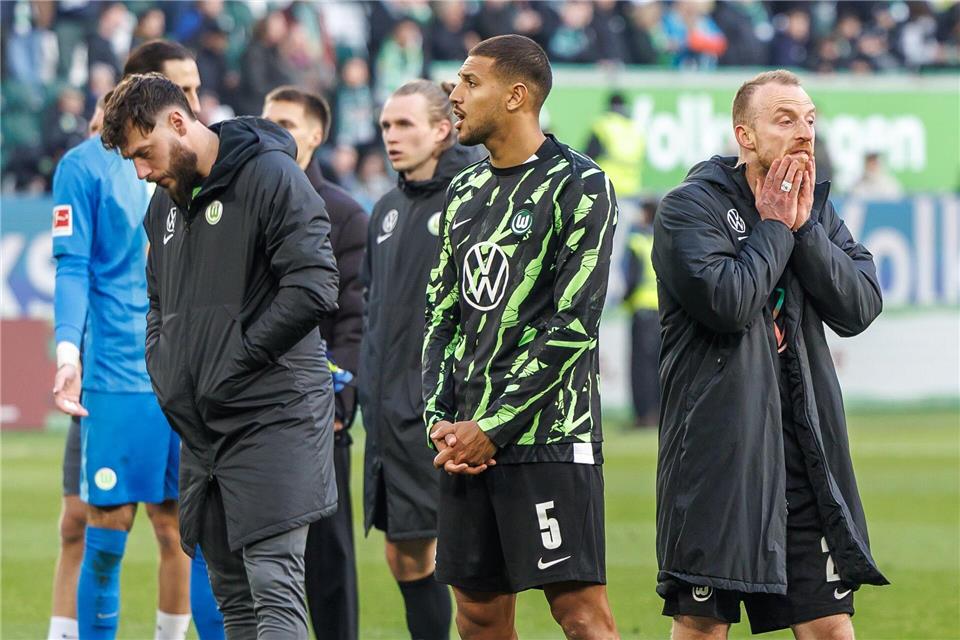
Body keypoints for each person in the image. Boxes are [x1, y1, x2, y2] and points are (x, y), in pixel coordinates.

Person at [100, 73, 340, 639]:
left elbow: (314, 286)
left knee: (274, 589)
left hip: (274, 416)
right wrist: (166, 369)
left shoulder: (272, 175)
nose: (141, 170)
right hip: (204, 427)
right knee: (232, 597)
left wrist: (234, 362)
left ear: (179, 123)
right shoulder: (162, 205)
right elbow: (158, 303)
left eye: (144, 152)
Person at [652, 69, 888, 639]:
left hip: (805, 455)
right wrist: (776, 226)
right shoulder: (690, 209)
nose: (804, 133)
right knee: (703, 627)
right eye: (785, 120)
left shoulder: (815, 210)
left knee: (829, 626)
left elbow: (860, 307)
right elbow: (730, 303)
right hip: (719, 457)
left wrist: (804, 228)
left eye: (809, 120)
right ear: (746, 136)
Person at [422, 35, 620, 639]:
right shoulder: (462, 192)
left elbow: (575, 324)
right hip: (465, 443)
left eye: (468, 83)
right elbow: (441, 316)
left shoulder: (579, 185)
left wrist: (495, 427)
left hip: (550, 438)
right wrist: (442, 420)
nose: (453, 96)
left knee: (579, 613)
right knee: (477, 614)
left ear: (516, 95)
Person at [49, 40, 221, 640]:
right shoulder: (85, 168)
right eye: (184, 89)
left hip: (192, 372)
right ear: (145, 90)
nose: (196, 104)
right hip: (120, 373)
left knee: (188, 528)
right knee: (106, 524)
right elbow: (71, 266)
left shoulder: (207, 163)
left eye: (197, 90)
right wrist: (68, 352)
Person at [360, 78, 479, 640]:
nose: (391, 136)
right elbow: (374, 312)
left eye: (405, 124)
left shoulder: (471, 199)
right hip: (386, 414)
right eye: (386, 125)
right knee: (404, 556)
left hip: (442, 412)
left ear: (442, 129)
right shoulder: (384, 210)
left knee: (461, 565)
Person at [262, 86, 367, 640]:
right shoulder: (244, 203)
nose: (272, 129)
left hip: (316, 410)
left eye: (284, 121)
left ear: (315, 135)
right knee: (253, 559)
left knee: (326, 558)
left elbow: (354, 320)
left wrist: (338, 402)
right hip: (254, 408)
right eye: (266, 119)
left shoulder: (345, 214)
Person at [622, 199, 659, 428]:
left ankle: (643, 415)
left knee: (641, 368)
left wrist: (625, 299)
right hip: (661, 313)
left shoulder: (637, 242)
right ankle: (658, 413)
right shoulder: (662, 238)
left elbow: (632, 279)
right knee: (659, 365)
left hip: (642, 311)